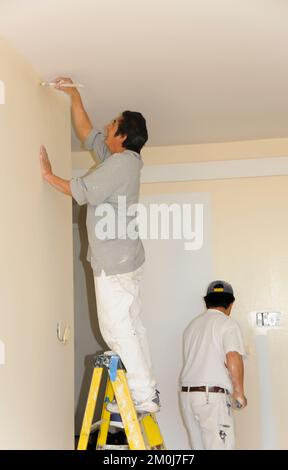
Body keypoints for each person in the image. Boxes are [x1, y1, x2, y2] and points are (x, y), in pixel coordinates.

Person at [39, 77, 160, 414]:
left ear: (122, 136)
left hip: (115, 261)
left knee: (116, 328)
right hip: (126, 259)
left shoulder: (120, 164)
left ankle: (143, 395)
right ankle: (147, 390)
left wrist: (48, 176)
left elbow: (83, 191)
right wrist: (74, 95)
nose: (108, 128)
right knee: (132, 325)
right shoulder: (122, 162)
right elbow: (88, 132)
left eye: (113, 125)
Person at [180, 280, 247, 450]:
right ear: (231, 303)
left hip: (187, 396)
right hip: (212, 397)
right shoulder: (227, 324)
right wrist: (239, 392)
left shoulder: (192, 326)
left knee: (198, 447)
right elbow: (232, 356)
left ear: (206, 301)